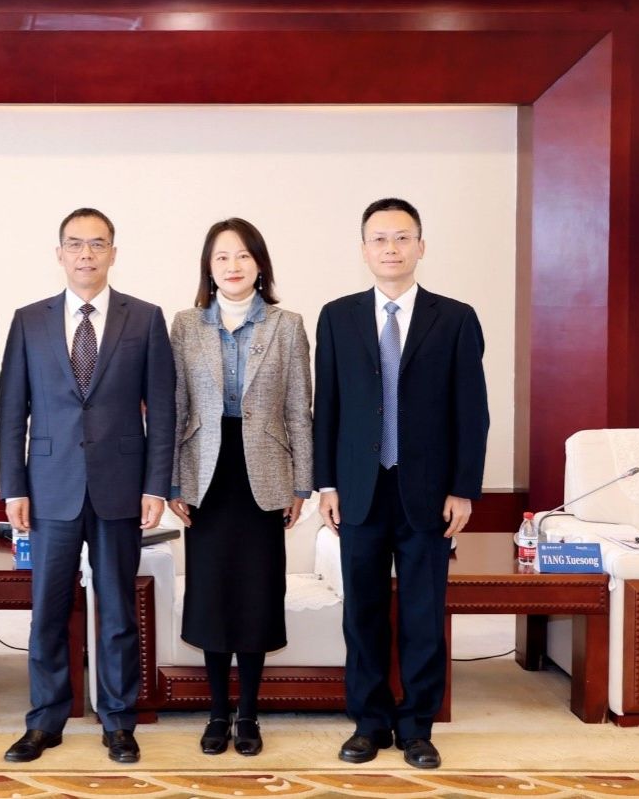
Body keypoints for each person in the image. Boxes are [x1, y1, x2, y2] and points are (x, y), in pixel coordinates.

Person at [314, 197, 489, 770]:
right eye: (379, 239)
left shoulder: (455, 318)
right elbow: (327, 407)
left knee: (422, 614)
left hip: (430, 494)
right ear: (364, 249)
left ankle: (417, 726)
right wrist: (326, 483)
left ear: (420, 246)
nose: (390, 248)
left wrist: (463, 488)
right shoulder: (337, 317)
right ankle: (368, 723)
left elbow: (472, 412)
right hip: (358, 490)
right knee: (362, 613)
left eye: (402, 237)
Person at [0, 207, 175, 765]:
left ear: (113, 253)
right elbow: (12, 411)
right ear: (59, 253)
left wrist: (156, 486)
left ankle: (118, 722)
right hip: (50, 488)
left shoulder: (144, 318)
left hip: (121, 486)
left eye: (97, 244)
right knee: (48, 610)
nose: (86, 254)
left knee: (118, 610)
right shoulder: (29, 320)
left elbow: (163, 411)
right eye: (75, 244)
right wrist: (13, 487)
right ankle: (44, 721)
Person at [167, 217, 313, 756]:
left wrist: (302, 484)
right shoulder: (186, 325)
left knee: (256, 595)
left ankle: (247, 713)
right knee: (211, 595)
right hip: (205, 473)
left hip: (265, 473)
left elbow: (299, 409)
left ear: (260, 265)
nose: (233, 266)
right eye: (222, 257)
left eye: (243, 256)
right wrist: (171, 481)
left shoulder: (287, 325)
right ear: (209, 267)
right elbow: (175, 407)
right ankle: (215, 713)